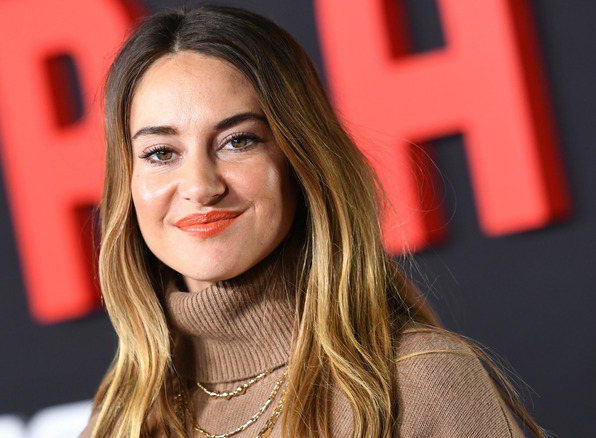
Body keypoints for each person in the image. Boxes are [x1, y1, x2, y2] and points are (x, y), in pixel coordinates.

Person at [80, 5, 545, 438]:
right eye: (161, 153)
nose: (200, 186)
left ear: (302, 160)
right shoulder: (121, 415)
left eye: (238, 141)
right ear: (128, 184)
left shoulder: (417, 382)